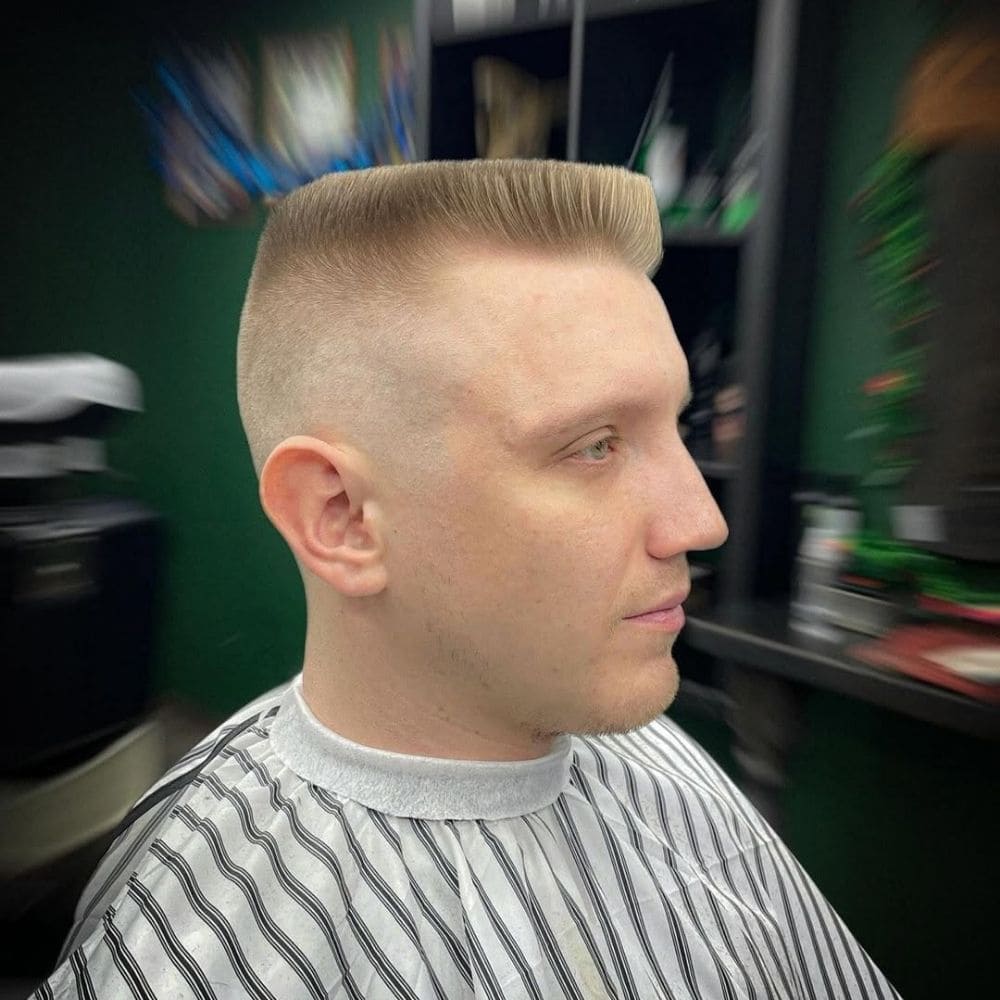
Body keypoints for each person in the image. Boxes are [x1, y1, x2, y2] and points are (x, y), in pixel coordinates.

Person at [33, 159, 900, 999]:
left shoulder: (661, 763)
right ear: (340, 516)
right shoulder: (205, 947)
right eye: (595, 445)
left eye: (674, 425)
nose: (701, 523)